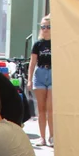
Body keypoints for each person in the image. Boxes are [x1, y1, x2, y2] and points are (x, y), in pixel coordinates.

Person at [29, 16, 52, 146]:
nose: (45, 29)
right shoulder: (38, 44)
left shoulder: (56, 43)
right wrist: (29, 79)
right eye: (43, 27)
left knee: (51, 108)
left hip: (53, 72)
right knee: (41, 108)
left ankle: (52, 136)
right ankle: (42, 137)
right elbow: (32, 63)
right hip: (40, 73)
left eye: (48, 26)